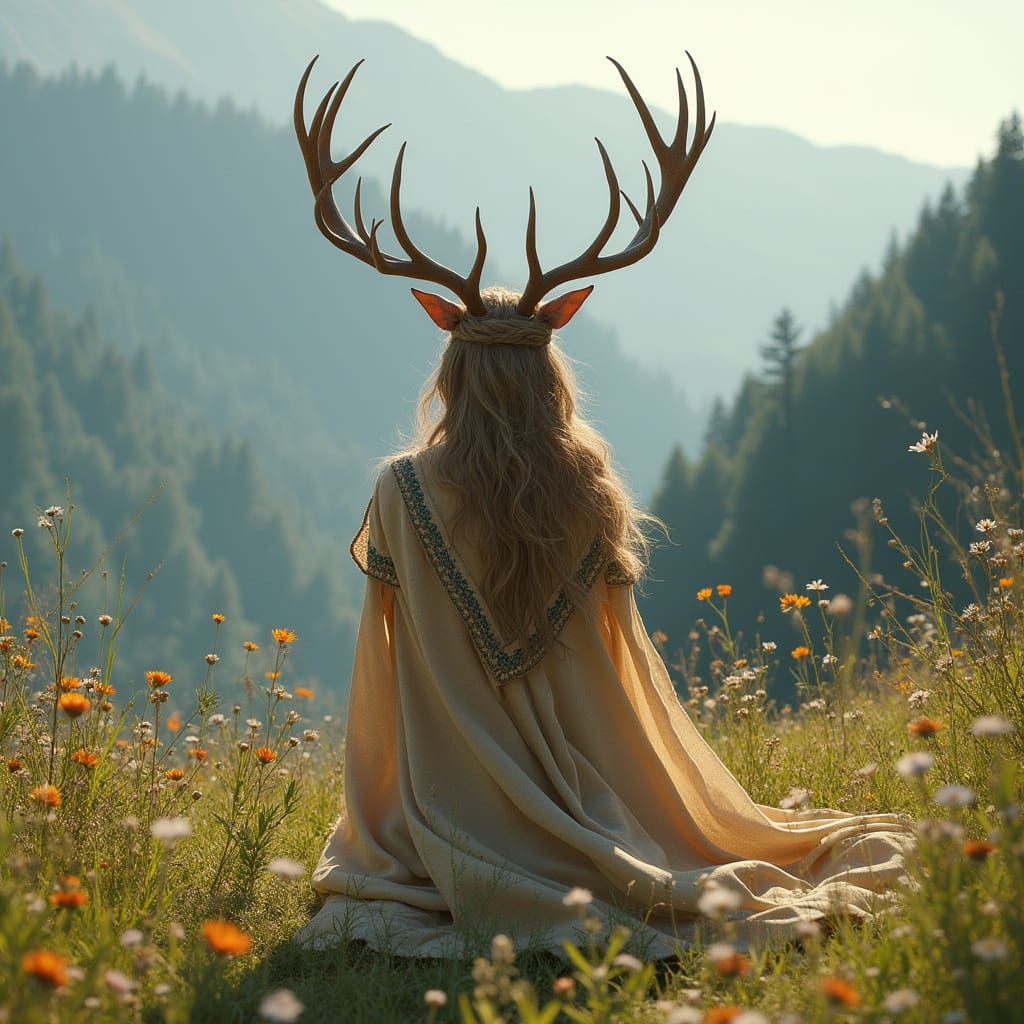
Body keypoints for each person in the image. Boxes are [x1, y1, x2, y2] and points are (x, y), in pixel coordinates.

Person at [291, 56, 914, 959]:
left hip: (448, 799)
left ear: (450, 363)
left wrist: (390, 813)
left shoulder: (401, 490)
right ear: (552, 362)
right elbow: (619, 665)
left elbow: (388, 655)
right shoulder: (591, 491)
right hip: (596, 794)